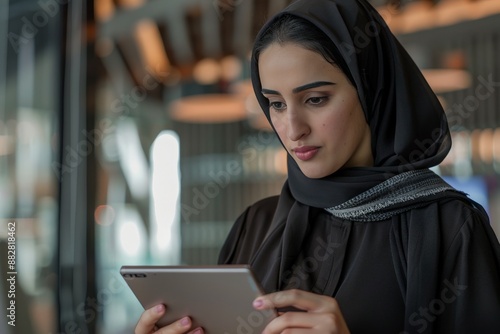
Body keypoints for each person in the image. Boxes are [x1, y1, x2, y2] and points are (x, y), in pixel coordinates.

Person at [135, 0, 500, 333]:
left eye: (315, 99)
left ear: (370, 90)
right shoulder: (255, 225)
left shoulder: (451, 229)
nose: (293, 130)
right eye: (275, 104)